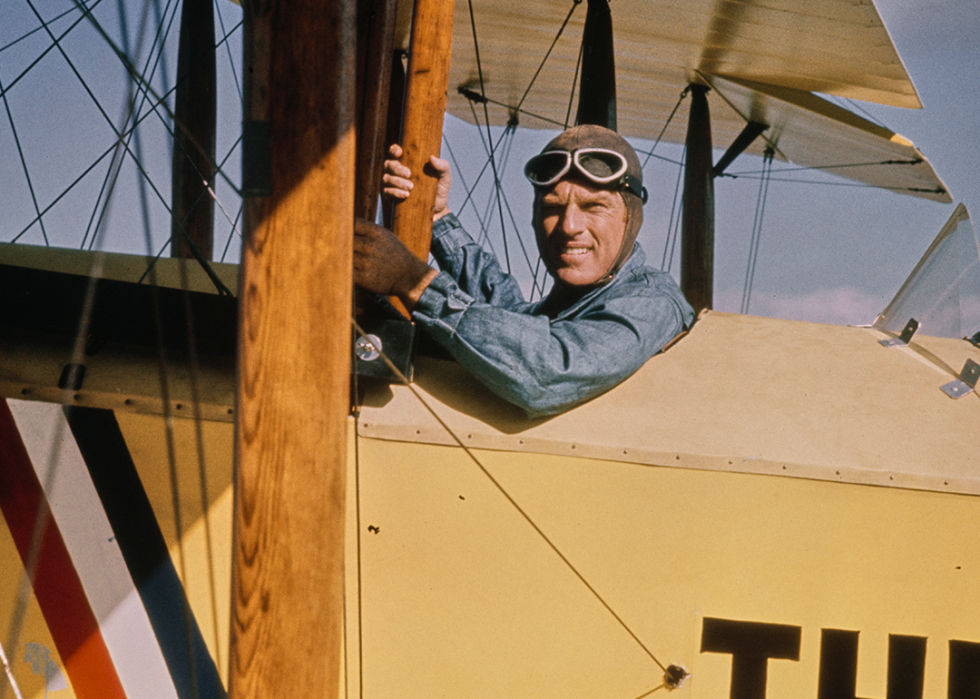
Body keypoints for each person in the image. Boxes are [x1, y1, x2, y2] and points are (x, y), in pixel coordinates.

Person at [354, 124, 694, 418]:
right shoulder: (572, 302)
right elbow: (504, 316)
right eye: (552, 208)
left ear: (630, 217)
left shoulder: (652, 302)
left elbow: (548, 372)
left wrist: (414, 282)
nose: (570, 226)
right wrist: (436, 217)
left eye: (594, 207)